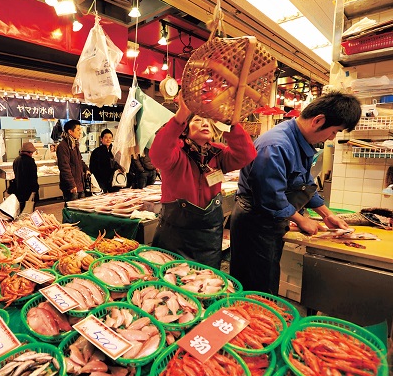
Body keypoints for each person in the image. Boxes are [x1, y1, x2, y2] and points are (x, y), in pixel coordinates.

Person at [230, 92, 362, 294]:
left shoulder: (300, 140)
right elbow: (271, 198)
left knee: (267, 281)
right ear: (318, 121)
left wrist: (327, 215)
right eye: (335, 131)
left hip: (271, 221)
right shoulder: (275, 146)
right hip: (255, 223)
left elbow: (304, 183)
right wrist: (301, 220)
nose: (332, 138)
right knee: (255, 288)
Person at [149, 95, 256, 270]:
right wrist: (180, 115)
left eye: (208, 121)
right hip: (174, 234)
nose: (205, 123)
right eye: (198, 120)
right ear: (186, 128)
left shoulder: (218, 154)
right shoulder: (177, 152)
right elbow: (158, 155)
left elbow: (247, 154)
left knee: (206, 286)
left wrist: (228, 123)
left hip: (208, 237)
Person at [57, 120, 89, 201]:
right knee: (72, 211)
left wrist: (86, 169)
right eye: (78, 130)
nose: (80, 132)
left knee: (81, 210)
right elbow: (64, 167)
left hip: (79, 184)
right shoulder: (63, 146)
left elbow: (79, 160)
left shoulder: (74, 144)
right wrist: (71, 185)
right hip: (71, 186)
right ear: (70, 131)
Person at [11, 142, 39, 211]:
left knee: (21, 208)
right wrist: (35, 189)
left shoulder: (16, 160)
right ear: (29, 152)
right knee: (28, 210)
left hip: (18, 189)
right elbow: (33, 177)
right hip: (28, 191)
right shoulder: (30, 161)